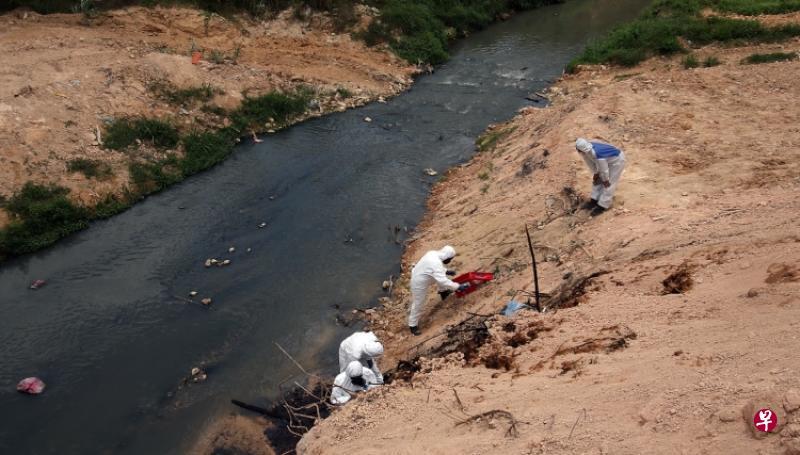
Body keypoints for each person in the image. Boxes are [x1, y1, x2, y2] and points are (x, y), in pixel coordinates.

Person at [407, 245, 469, 336]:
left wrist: (446, 271)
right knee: (419, 303)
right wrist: (458, 287)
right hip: (418, 283)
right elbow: (442, 280)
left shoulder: (433, 253)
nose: (450, 261)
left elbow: (434, 268)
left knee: (441, 277)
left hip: (423, 274)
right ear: (447, 257)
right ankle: (412, 325)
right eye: (450, 259)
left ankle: (443, 292)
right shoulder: (436, 263)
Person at [575, 138, 627, 216]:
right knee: (597, 180)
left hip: (617, 160)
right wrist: (595, 173)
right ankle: (594, 200)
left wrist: (605, 180)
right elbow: (590, 163)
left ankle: (603, 205)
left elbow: (604, 170)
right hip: (606, 160)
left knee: (609, 183)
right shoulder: (585, 151)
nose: (579, 152)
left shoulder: (598, 154)